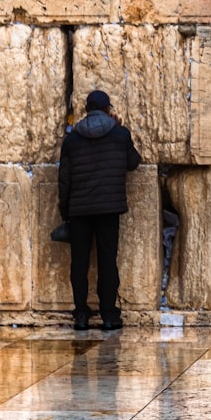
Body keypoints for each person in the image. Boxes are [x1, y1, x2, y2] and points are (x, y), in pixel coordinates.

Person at [58, 90, 141, 331]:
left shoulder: (72, 140)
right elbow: (133, 162)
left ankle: (81, 315)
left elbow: (64, 180)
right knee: (107, 261)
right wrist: (120, 131)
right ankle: (108, 315)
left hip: (80, 210)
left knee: (79, 262)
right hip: (108, 209)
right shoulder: (119, 134)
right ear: (107, 109)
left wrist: (66, 213)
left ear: (86, 109)